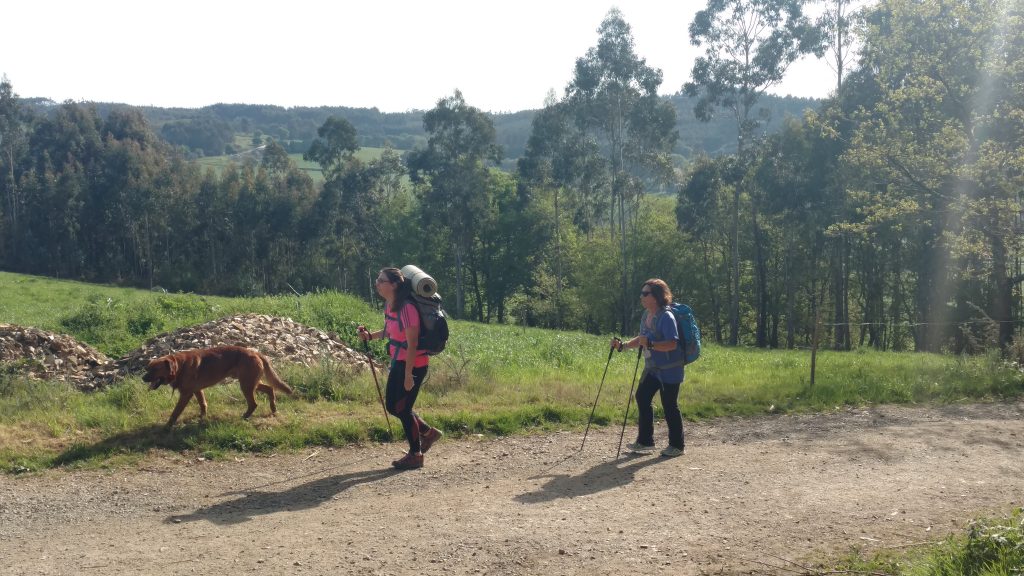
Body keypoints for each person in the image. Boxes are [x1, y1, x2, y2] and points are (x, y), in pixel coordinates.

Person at [358, 267, 442, 470]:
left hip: (413, 365)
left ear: (394, 284)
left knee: (403, 409)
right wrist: (370, 336)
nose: (377, 283)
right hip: (399, 361)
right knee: (393, 407)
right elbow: (390, 331)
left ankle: (416, 454)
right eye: (377, 279)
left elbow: (412, 343)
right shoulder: (391, 305)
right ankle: (429, 433)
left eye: (381, 280)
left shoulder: (407, 308)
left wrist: (408, 375)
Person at [611, 278, 686, 457]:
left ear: (656, 296)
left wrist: (651, 344)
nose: (641, 297)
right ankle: (645, 442)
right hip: (653, 368)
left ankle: (677, 446)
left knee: (669, 405)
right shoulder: (647, 315)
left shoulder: (666, 316)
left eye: (645, 293)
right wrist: (624, 346)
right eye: (642, 293)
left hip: (670, 369)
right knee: (642, 397)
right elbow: (642, 338)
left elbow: (672, 344)